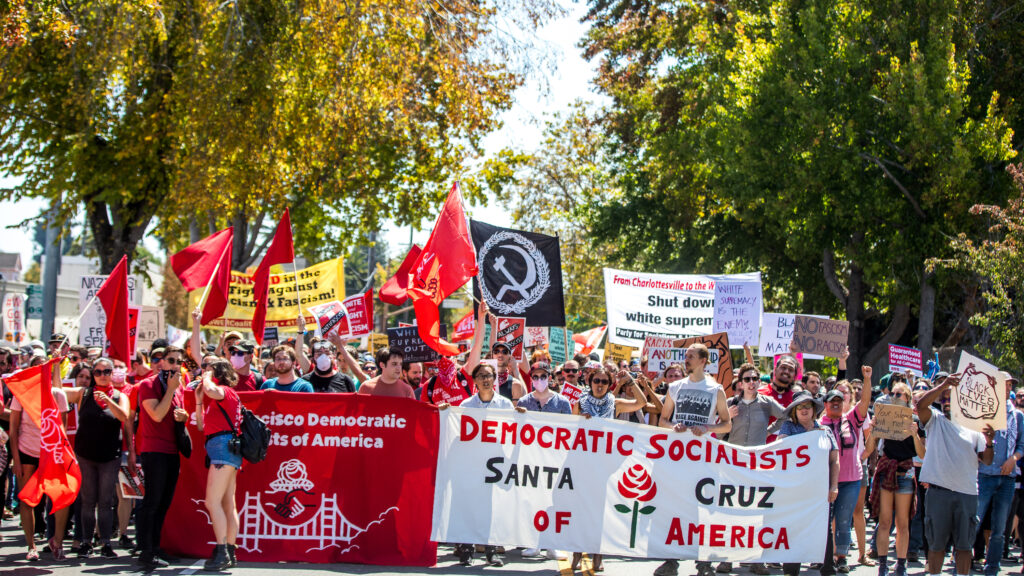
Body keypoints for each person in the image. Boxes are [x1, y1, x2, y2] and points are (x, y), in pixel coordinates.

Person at [654, 344, 732, 576]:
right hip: (677, 458)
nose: (685, 360)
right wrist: (673, 426)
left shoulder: (715, 389)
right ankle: (671, 560)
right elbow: (663, 420)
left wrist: (707, 428)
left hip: (703, 460)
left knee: (702, 510)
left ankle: (704, 563)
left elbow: (727, 424)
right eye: (685, 356)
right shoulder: (675, 387)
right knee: (674, 508)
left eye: (690, 356)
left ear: (703, 361)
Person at [438, 362, 525, 566]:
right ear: (475, 380)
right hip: (471, 464)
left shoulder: (504, 405)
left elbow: (514, 433)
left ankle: (491, 552)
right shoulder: (467, 405)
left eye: (489, 376)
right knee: (468, 506)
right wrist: (445, 413)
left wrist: (520, 417)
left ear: (494, 379)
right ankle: (467, 550)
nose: (486, 379)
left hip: (495, 465)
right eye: (482, 376)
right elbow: (456, 433)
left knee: (491, 509)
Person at [915, 372, 995, 576]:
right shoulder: (935, 419)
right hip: (938, 492)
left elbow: (987, 460)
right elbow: (920, 406)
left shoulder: (974, 427)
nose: (948, 402)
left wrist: (989, 442)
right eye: (945, 399)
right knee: (936, 545)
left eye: (953, 397)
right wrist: (943, 386)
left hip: (966, 492)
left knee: (964, 546)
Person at [571, 366, 644, 572]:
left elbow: (641, 403)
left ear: (609, 384)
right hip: (584, 465)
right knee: (580, 512)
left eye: (604, 382)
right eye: (597, 381)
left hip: (606, 467)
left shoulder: (615, 404)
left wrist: (630, 380)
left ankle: (597, 555)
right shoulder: (579, 403)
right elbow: (567, 429)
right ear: (590, 383)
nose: (600, 385)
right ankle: (577, 553)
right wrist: (580, 421)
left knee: (601, 513)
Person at [63, 358, 130, 558]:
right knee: (87, 501)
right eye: (98, 372)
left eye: (107, 371)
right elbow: (56, 391)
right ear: (93, 375)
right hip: (86, 456)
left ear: (112, 373)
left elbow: (124, 417)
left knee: (106, 502)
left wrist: (108, 400)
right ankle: (86, 541)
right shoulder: (83, 394)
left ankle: (106, 543)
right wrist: (56, 365)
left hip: (110, 457)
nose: (102, 375)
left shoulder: (119, 396)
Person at [135, 346, 190, 570]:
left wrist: (184, 417)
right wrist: (170, 390)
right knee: (152, 502)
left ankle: (155, 547)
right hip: (154, 450)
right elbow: (156, 415)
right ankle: (146, 551)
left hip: (171, 451)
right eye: (171, 360)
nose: (175, 364)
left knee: (164, 503)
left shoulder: (179, 388)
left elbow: (177, 418)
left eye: (179, 361)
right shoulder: (148, 385)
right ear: (161, 362)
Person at [9, 363, 70, 561]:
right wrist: (16, 460)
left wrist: (63, 457)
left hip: (52, 453)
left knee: (60, 498)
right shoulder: (22, 395)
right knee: (27, 501)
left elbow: (62, 429)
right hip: (27, 452)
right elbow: (13, 429)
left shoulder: (58, 395)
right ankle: (31, 545)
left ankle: (57, 541)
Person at [777, 391, 840, 576]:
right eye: (800, 407)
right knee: (794, 528)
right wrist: (808, 436)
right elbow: (780, 449)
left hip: (819, 491)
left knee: (824, 529)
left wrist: (834, 485)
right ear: (794, 411)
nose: (804, 410)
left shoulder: (825, 431)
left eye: (808, 406)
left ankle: (828, 569)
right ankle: (791, 571)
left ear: (814, 410)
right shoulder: (788, 427)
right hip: (794, 490)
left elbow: (834, 460)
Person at [866, 383, 925, 576]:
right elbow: (868, 448)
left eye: (899, 393)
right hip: (887, 471)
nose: (895, 396)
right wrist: (873, 429)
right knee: (884, 521)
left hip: (906, 473)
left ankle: (901, 564)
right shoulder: (883, 417)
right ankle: (882, 564)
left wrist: (914, 434)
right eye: (892, 393)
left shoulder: (915, 420)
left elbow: (922, 454)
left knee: (903, 523)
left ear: (907, 398)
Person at [820, 366, 873, 574]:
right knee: (824, 520)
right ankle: (823, 556)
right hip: (825, 480)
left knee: (843, 518)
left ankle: (841, 556)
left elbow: (865, 402)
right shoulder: (818, 425)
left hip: (851, 479)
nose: (836, 403)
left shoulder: (851, 420)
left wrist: (867, 380)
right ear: (825, 404)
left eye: (840, 401)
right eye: (832, 400)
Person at [972, 370, 1023, 576]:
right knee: (975, 520)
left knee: (1000, 527)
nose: (1008, 387)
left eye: (1010, 384)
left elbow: (1021, 445)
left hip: (1008, 477)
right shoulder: (983, 411)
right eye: (1004, 383)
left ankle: (992, 567)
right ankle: (963, 559)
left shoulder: (1018, 416)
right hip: (984, 474)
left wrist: (1014, 459)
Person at [518, 361, 570, 561]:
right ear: (531, 379)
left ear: (550, 378)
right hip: (530, 459)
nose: (539, 380)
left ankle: (552, 544)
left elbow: (568, 431)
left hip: (554, 460)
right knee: (532, 501)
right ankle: (533, 542)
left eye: (543, 376)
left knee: (552, 503)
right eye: (535, 377)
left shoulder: (562, 402)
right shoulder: (523, 402)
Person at [194, 359, 243, 571]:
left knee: (212, 502)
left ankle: (223, 550)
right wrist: (198, 401)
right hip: (223, 449)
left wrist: (206, 376)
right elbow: (201, 425)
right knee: (226, 504)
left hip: (223, 449)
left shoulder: (223, 391)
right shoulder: (223, 398)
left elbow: (212, 390)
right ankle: (229, 550)